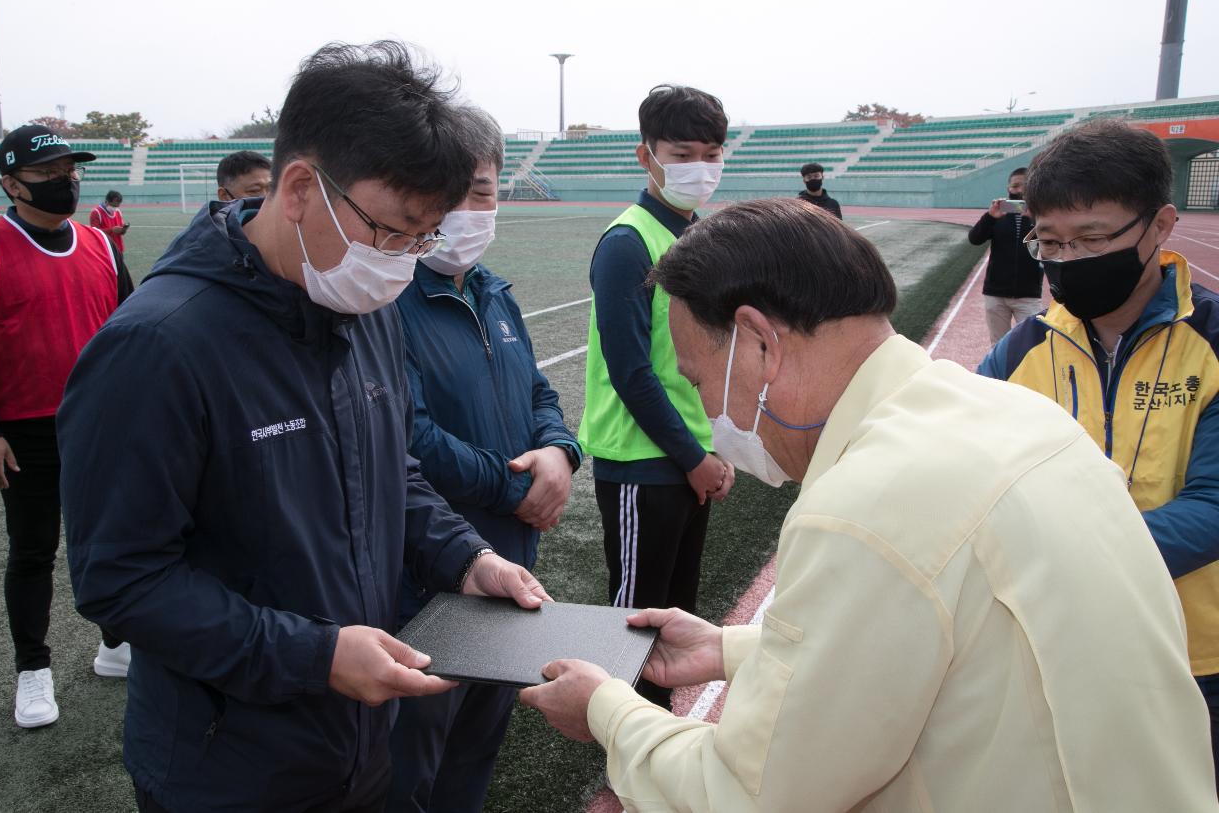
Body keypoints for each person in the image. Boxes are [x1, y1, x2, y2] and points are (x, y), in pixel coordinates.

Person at [521, 196, 1219, 812]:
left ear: (761, 343)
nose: (706, 410)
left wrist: (606, 710)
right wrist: (725, 647)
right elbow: (938, 640)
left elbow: (748, 793)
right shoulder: (1013, 413)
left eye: (700, 377)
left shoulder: (860, 507)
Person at [56, 41, 549, 813]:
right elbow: (121, 579)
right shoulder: (159, 347)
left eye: (423, 237)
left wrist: (465, 557)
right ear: (297, 188)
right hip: (228, 770)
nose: (401, 261)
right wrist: (316, 655)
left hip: (361, 744)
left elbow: (392, 470)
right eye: (392, 230)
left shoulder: (365, 309)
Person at [979, 119, 1219, 788]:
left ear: (1160, 225)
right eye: (1050, 241)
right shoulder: (1019, 351)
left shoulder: (1213, 345)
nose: (1069, 260)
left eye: (1092, 238)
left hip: (1194, 659)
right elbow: (959, 461)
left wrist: (1054, 548)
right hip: (1060, 651)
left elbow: (1212, 508)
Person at [387, 106, 582, 812]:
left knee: (475, 754)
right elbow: (410, 438)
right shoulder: (389, 296)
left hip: (509, 566)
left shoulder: (494, 291)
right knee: (409, 766)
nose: (468, 209)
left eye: (484, 191)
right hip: (429, 576)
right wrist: (513, 490)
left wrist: (562, 451)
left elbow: (537, 388)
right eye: (451, 191)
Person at [0, 124, 134, 730]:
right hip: (24, 431)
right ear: (10, 184)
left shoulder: (101, 244)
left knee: (109, 538)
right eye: (48, 175)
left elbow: (134, 331)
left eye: (69, 172)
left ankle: (115, 643)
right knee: (33, 550)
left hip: (100, 423)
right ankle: (33, 669)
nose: (64, 183)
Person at [577, 84, 734, 710]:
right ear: (648, 156)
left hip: (689, 455)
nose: (701, 167)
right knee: (636, 618)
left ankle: (655, 738)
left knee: (673, 616)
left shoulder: (697, 236)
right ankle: (623, 744)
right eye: (684, 152)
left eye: (714, 153)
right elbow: (631, 370)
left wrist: (711, 449)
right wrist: (691, 458)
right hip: (644, 460)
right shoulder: (627, 243)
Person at [967, 167, 1042, 343]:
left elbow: (1046, 247)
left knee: (1033, 344)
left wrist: (1036, 220)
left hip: (1028, 295)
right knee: (998, 345)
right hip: (996, 294)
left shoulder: (1041, 215)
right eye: (1015, 186)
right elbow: (975, 239)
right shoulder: (998, 214)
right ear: (1008, 188)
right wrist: (990, 217)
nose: (1020, 190)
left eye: (1024, 185)